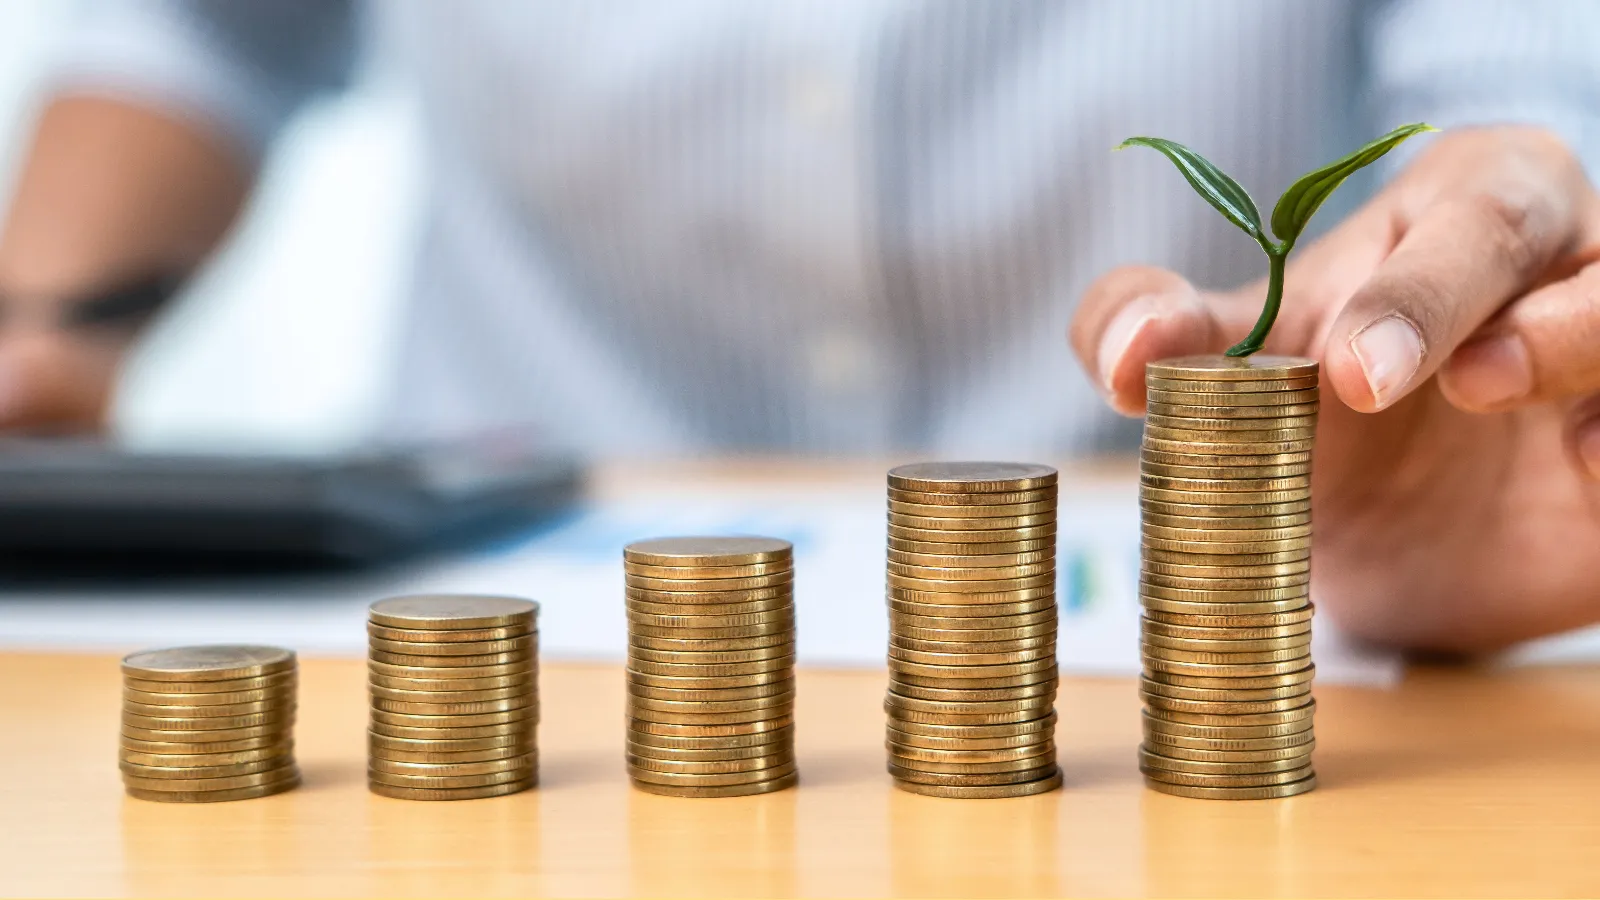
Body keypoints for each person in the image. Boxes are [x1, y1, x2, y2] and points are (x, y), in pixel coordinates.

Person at [0, 1, 1596, 654]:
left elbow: (1513, 96)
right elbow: (194, 27)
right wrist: (43, 320)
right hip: (500, 584)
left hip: (1259, 590)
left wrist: (1491, 289)